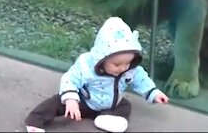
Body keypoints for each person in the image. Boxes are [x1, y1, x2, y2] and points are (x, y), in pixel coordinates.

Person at [25, 17, 169, 133]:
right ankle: (35, 120)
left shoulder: (129, 69)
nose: (123, 68)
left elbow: (141, 79)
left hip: (111, 104)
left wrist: (154, 93)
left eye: (127, 63)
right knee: (57, 102)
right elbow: (70, 79)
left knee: (125, 106)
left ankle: (108, 118)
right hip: (85, 102)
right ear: (102, 59)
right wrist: (71, 99)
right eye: (117, 65)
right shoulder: (87, 65)